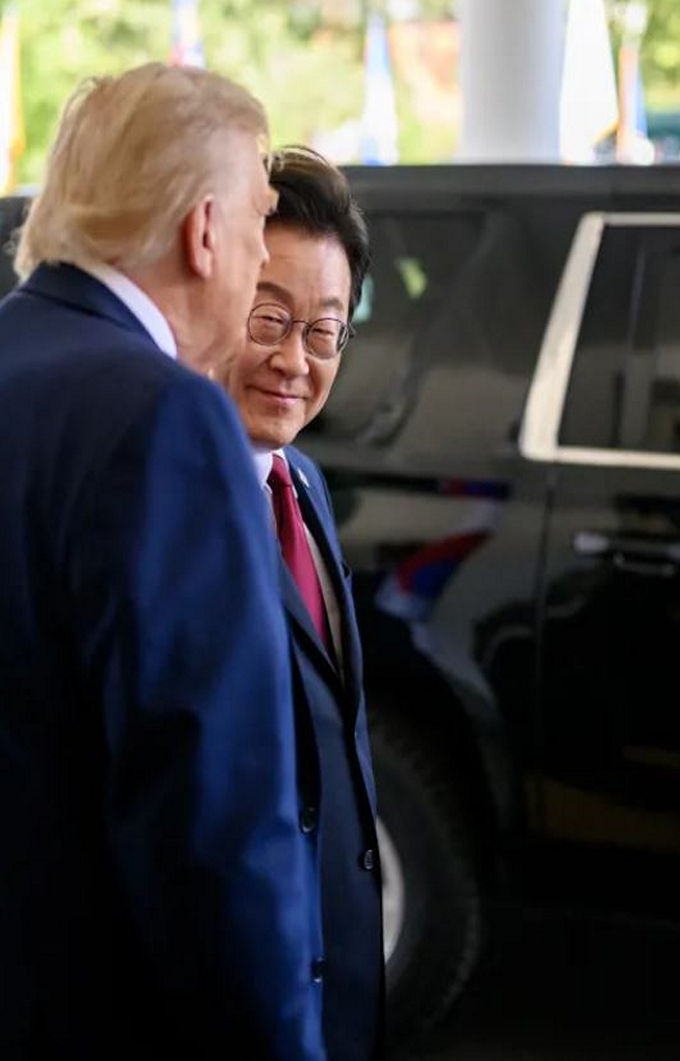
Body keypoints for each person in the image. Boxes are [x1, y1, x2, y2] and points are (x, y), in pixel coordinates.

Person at [0, 64, 324, 1061]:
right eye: (261, 218)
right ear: (203, 230)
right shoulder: (159, 418)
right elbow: (216, 839)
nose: (260, 253)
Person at [221, 146, 383, 1061]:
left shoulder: (305, 485)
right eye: (269, 318)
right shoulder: (175, 505)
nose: (294, 360)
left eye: (323, 332)